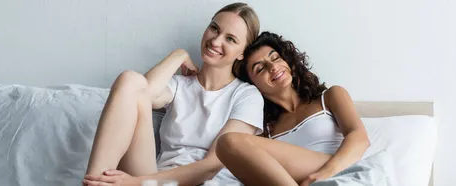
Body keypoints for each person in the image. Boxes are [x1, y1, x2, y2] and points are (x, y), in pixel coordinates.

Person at [83, 3, 263, 186]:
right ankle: (93, 182)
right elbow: (140, 94)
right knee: (129, 79)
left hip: (197, 183)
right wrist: (178, 55)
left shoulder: (247, 96)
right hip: (152, 178)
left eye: (231, 39)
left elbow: (210, 167)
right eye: (214, 28)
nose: (216, 41)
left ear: (243, 53)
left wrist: (134, 182)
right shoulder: (179, 85)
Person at [216, 32, 371, 186]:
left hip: (339, 169)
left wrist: (324, 174)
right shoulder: (266, 131)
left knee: (229, 142)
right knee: (226, 146)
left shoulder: (330, 96)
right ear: (254, 87)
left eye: (275, 57)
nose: (273, 67)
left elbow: (359, 137)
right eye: (260, 69)